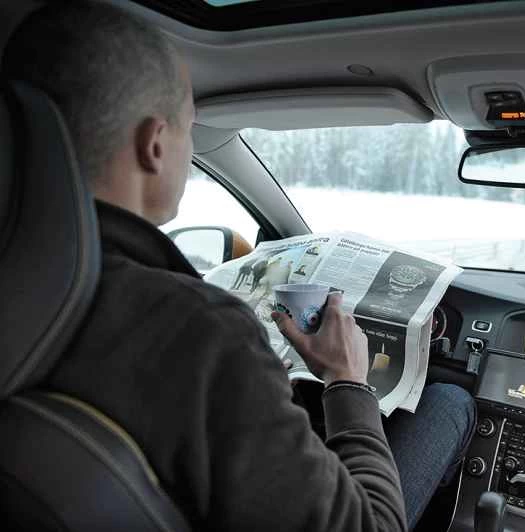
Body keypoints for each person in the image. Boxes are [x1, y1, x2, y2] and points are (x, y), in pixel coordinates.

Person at [3, 2, 475, 530]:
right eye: (188, 129)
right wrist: (346, 380)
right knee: (449, 403)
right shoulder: (199, 331)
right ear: (154, 145)